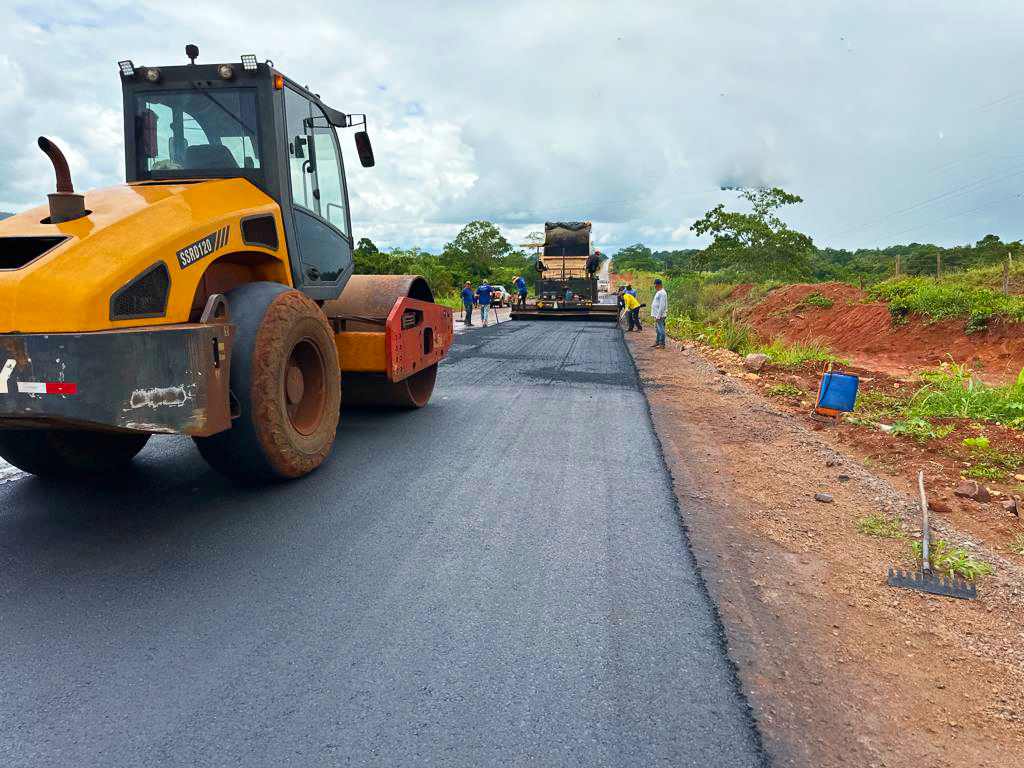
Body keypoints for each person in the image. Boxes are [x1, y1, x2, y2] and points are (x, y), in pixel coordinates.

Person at [650, 278, 668, 348]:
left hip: (660, 315)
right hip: (657, 314)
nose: (655, 287)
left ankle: (662, 343)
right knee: (658, 329)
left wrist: (658, 316)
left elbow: (662, 305)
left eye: (655, 285)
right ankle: (657, 342)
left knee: (661, 329)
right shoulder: (659, 292)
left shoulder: (662, 293)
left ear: (658, 285)